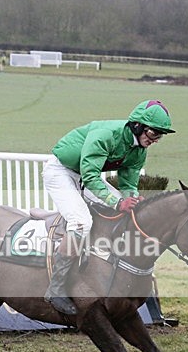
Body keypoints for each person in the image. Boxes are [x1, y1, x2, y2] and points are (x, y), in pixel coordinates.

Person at [42, 99, 175, 315]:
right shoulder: (106, 134)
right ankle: (56, 289)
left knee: (130, 212)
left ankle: (112, 270)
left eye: (160, 136)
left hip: (85, 176)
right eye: (153, 133)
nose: (155, 140)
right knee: (81, 222)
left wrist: (131, 198)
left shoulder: (139, 150)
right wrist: (117, 201)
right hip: (61, 172)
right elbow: (90, 174)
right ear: (137, 125)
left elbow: (129, 183)